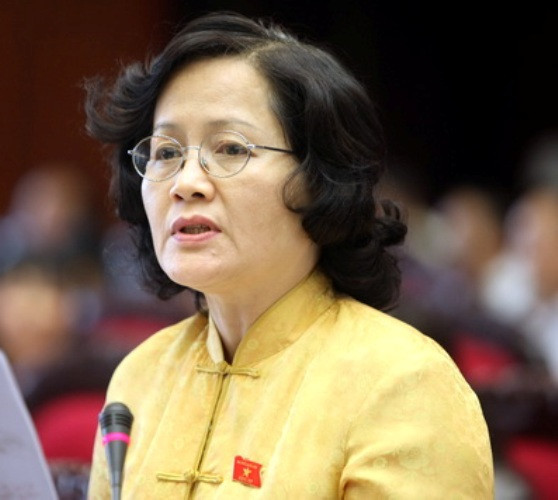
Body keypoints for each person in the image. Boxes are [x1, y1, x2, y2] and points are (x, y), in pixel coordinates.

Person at [86, 12, 493, 498]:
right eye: (166, 152)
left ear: (318, 180)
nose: (185, 183)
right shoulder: (140, 377)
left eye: (230, 148)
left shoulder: (403, 383)